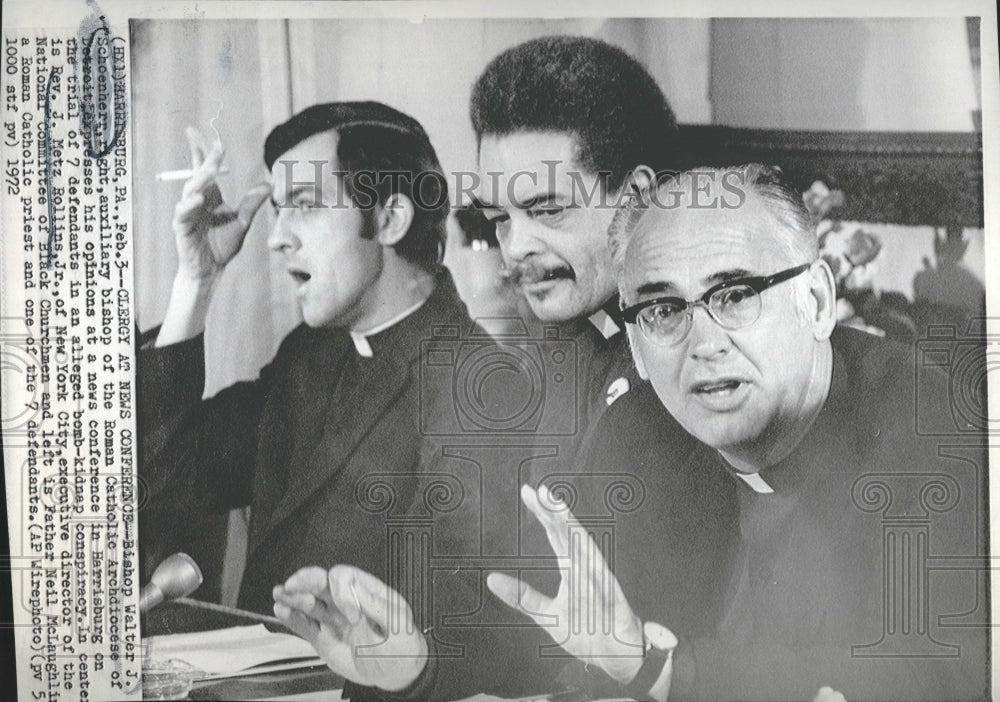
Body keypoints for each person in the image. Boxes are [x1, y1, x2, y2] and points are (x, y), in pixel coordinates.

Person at [274, 37, 738, 702]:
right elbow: (526, 625)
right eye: (498, 219)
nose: (515, 248)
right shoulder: (561, 355)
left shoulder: (721, 369)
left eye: (546, 209)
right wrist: (412, 663)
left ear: (636, 196)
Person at [488, 164, 988, 700]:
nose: (704, 344)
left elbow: (941, 678)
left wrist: (657, 669)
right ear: (635, 345)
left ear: (816, 302)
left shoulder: (935, 429)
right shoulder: (632, 438)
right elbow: (598, 666)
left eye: (735, 295)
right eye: (662, 309)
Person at [138, 100, 468, 633]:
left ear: (389, 218)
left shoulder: (482, 388)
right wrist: (195, 284)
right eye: (278, 209)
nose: (275, 237)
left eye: (306, 205)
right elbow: (168, 474)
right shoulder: (310, 355)